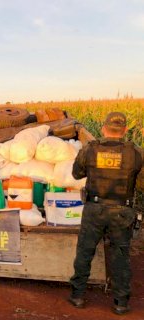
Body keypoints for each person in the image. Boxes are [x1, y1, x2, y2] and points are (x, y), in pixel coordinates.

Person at [68, 112, 144, 315]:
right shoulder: (136, 153)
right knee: (120, 256)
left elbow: (76, 173)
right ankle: (121, 303)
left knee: (85, 251)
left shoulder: (90, 150)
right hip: (122, 211)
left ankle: (77, 296)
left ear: (103, 128)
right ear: (125, 130)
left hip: (94, 208)